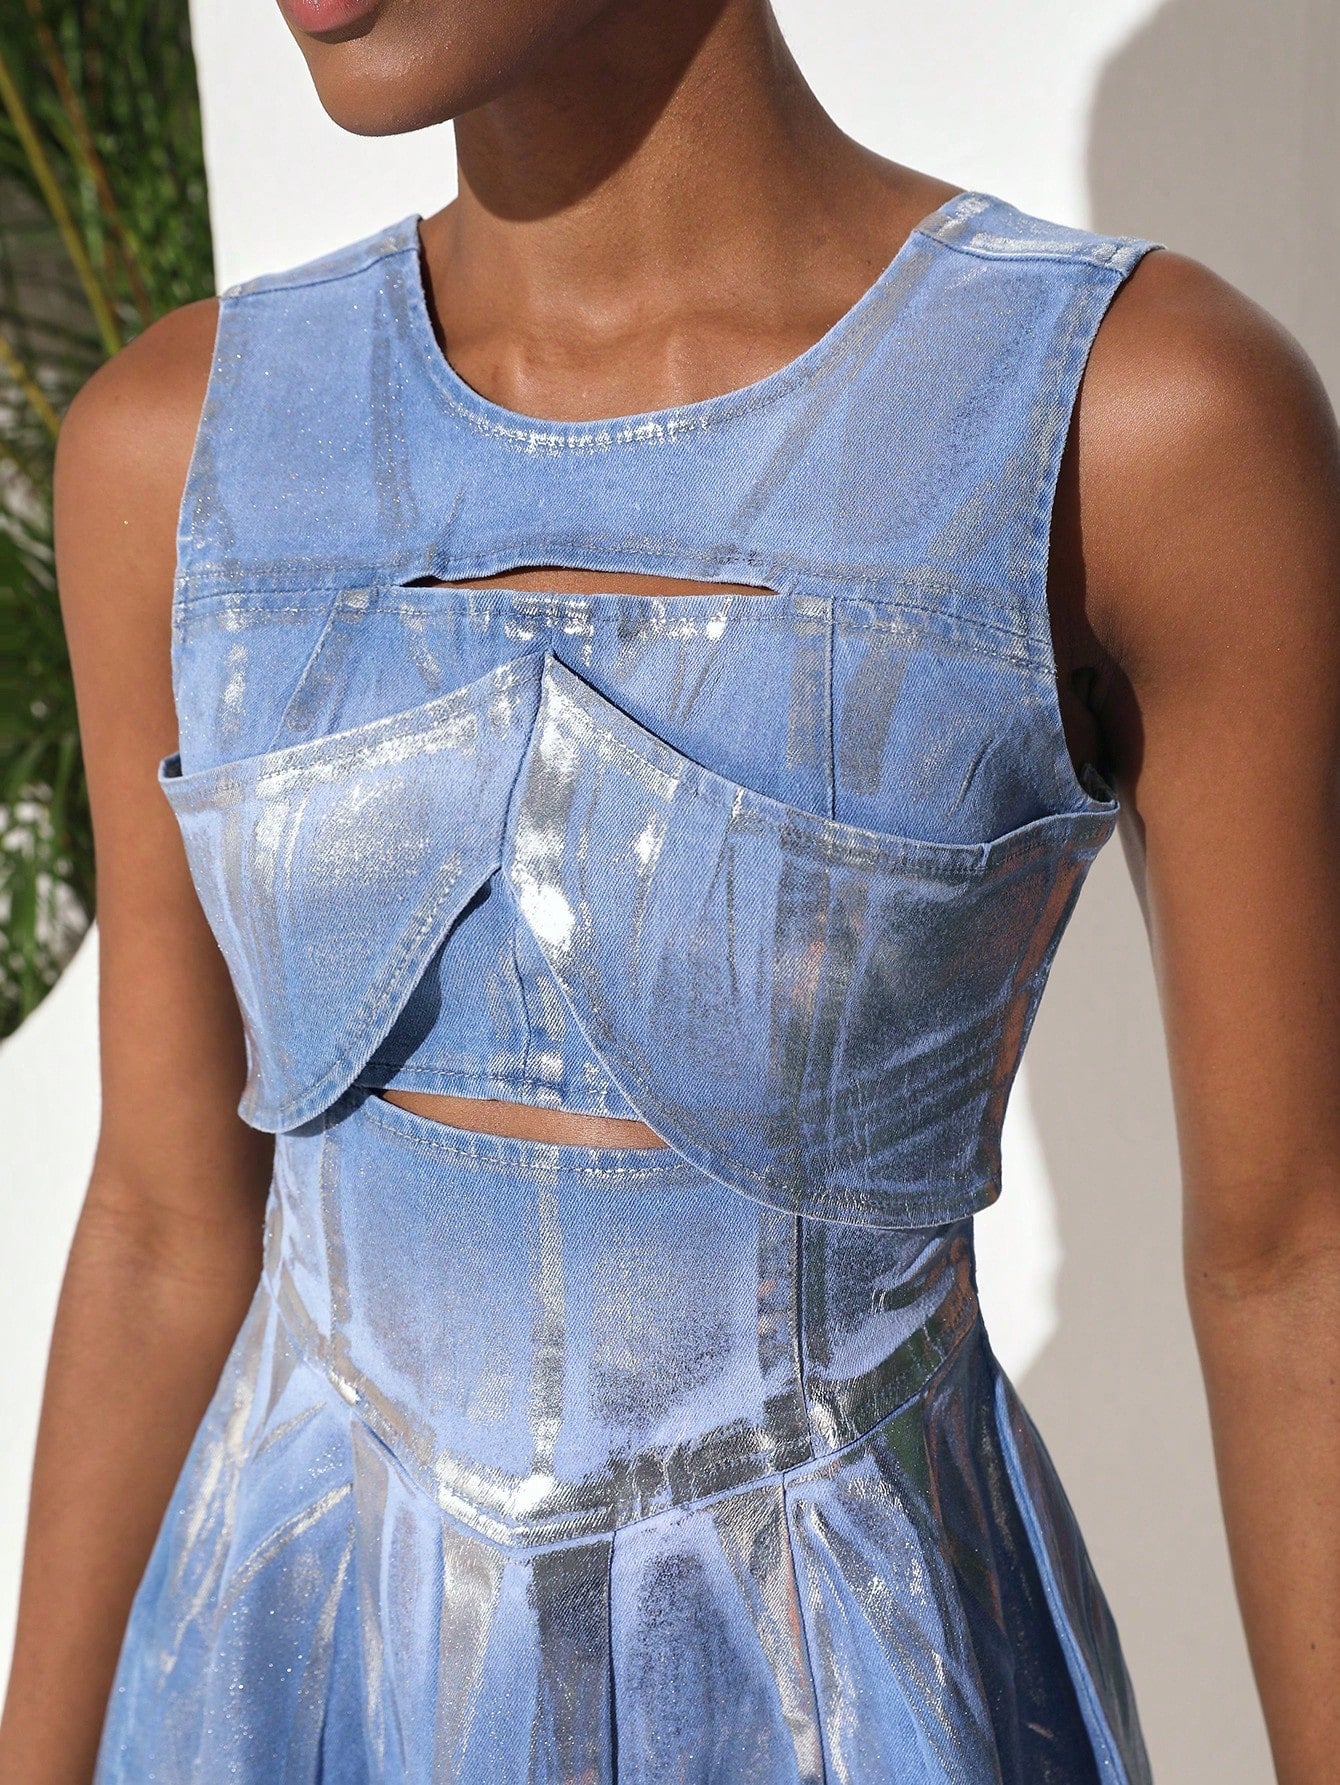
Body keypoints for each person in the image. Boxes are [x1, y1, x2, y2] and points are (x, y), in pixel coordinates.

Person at [3, 0, 1339, 1778]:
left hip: (850, 1706)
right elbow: (165, 1225)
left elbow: (1293, 1260)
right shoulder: (178, 449)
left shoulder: (1136, 426)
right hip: (282, 1690)